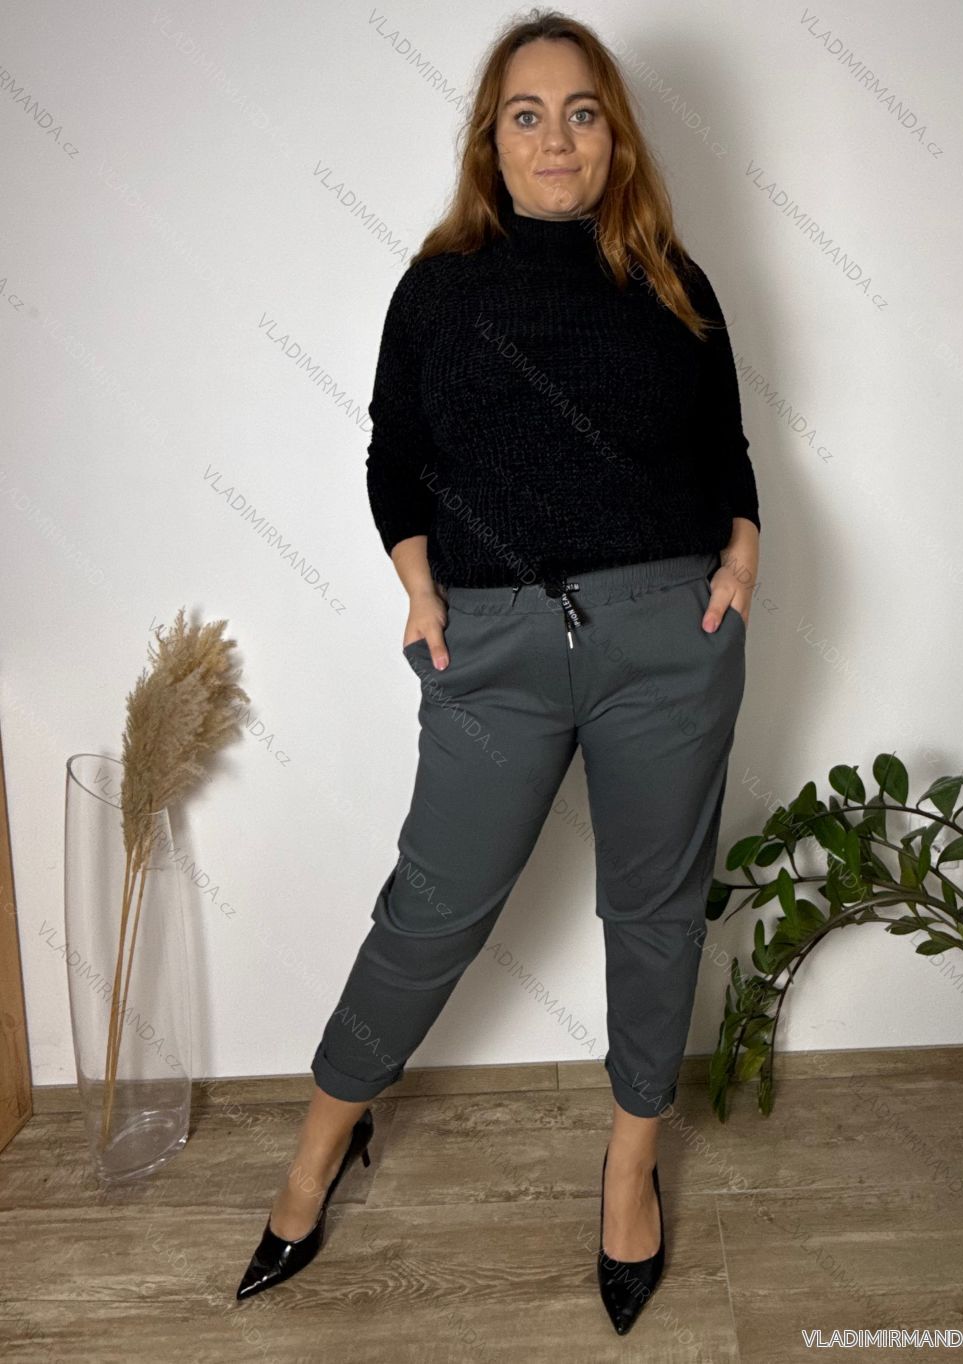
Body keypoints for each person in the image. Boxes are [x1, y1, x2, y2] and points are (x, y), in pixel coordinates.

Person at [236, 8, 759, 1338]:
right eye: (528, 114)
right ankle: (319, 1146)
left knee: (655, 914)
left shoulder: (674, 281)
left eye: (582, 112)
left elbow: (729, 450)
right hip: (495, 650)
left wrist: (741, 562)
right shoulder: (441, 289)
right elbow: (393, 454)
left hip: (666, 639)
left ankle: (630, 1166)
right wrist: (420, 589)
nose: (556, 138)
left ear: (613, 135)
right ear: (492, 138)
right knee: (431, 914)